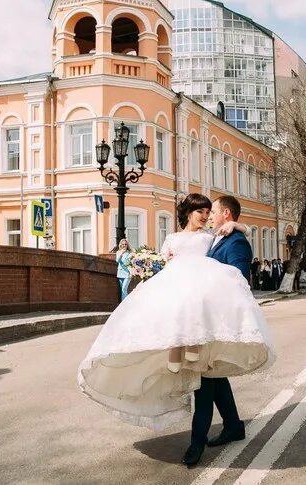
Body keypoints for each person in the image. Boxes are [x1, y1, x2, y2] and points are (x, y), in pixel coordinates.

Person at [77, 193, 275, 468]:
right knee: (211, 375)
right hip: (178, 312)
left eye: (210, 212)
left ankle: (197, 443)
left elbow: (235, 240)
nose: (206, 217)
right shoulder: (173, 239)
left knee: (204, 378)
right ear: (188, 213)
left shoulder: (210, 238)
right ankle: (233, 425)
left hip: (203, 316)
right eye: (201, 212)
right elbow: (167, 269)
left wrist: (239, 226)